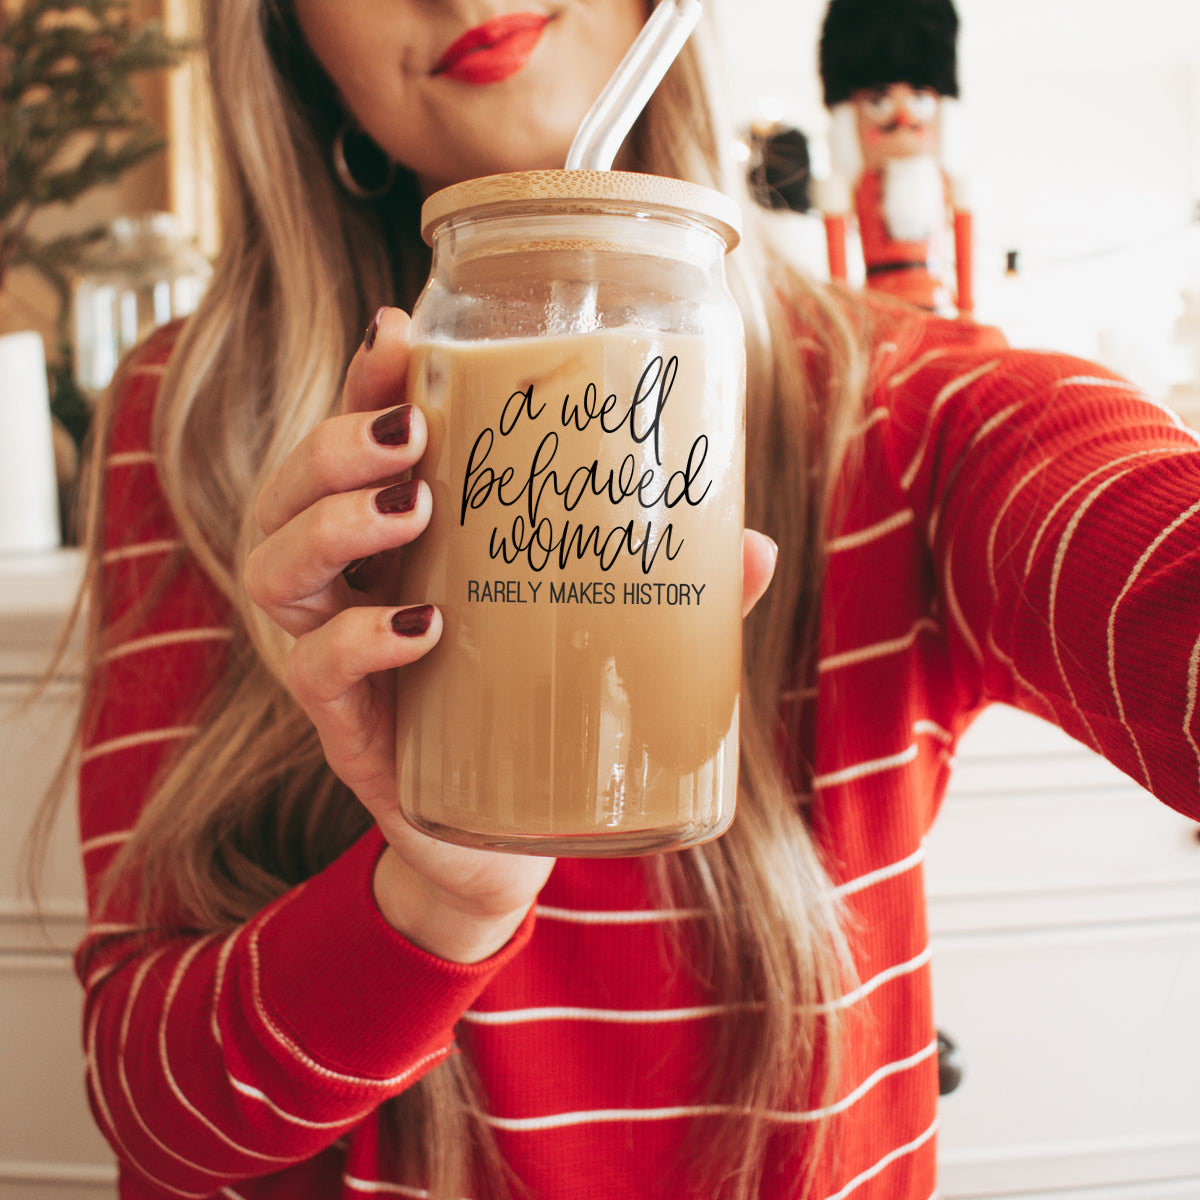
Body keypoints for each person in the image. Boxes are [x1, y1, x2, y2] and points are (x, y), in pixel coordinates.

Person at [69, 1, 1200, 1198]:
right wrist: (437, 898)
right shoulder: (199, 424)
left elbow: (1142, 547)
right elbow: (154, 1121)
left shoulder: (911, 410)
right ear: (289, 34)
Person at [817, 0, 974, 315]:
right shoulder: (855, 187)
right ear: (850, 117)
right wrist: (842, 314)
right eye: (878, 101)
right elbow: (839, 277)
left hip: (938, 307)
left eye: (919, 98)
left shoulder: (946, 183)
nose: (903, 117)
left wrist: (967, 311)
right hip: (876, 310)